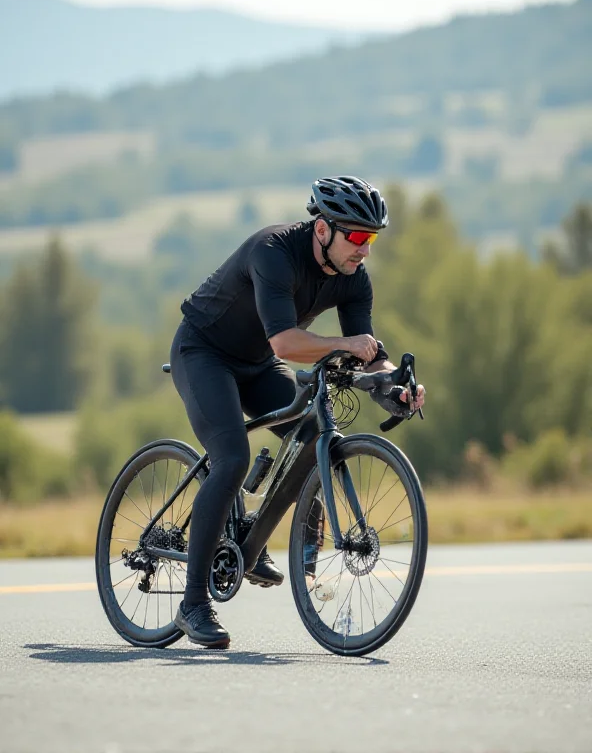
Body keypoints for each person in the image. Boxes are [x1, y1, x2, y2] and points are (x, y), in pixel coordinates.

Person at [169, 175, 425, 648]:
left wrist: (393, 385)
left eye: (371, 239)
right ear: (323, 230)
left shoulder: (353, 278)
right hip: (204, 350)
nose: (365, 250)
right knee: (231, 458)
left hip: (258, 363)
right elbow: (287, 342)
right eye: (357, 237)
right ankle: (193, 604)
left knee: (308, 432)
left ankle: (252, 534)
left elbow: (367, 351)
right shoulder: (273, 251)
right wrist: (345, 344)